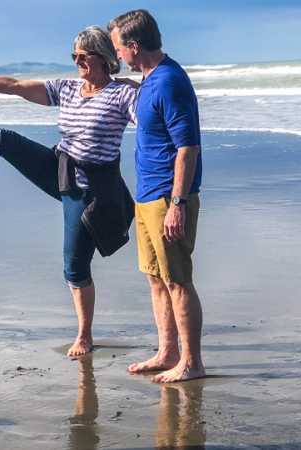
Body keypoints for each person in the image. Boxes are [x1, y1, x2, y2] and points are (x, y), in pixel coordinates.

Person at [0, 26, 138, 358]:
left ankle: (85, 335)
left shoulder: (123, 95)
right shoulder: (69, 89)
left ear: (105, 59)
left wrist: (145, 87)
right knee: (10, 142)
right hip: (60, 169)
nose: (77, 62)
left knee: (74, 268)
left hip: (90, 189)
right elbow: (17, 87)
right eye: (73, 56)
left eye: (83, 56)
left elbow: (153, 124)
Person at [108, 9, 205, 383]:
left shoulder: (167, 82)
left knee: (177, 278)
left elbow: (188, 148)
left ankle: (192, 362)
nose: (117, 56)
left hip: (169, 197)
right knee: (155, 276)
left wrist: (178, 204)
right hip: (147, 195)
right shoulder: (148, 79)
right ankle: (168, 352)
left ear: (134, 45)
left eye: (119, 48)